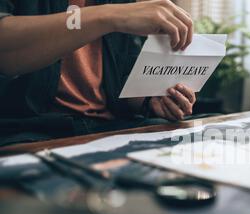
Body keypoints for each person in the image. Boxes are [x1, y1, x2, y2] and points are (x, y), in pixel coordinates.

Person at [0, 0, 198, 146]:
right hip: (30, 129)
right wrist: (111, 16)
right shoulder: (118, 11)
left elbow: (122, 79)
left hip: (111, 126)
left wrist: (150, 98)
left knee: (197, 140)